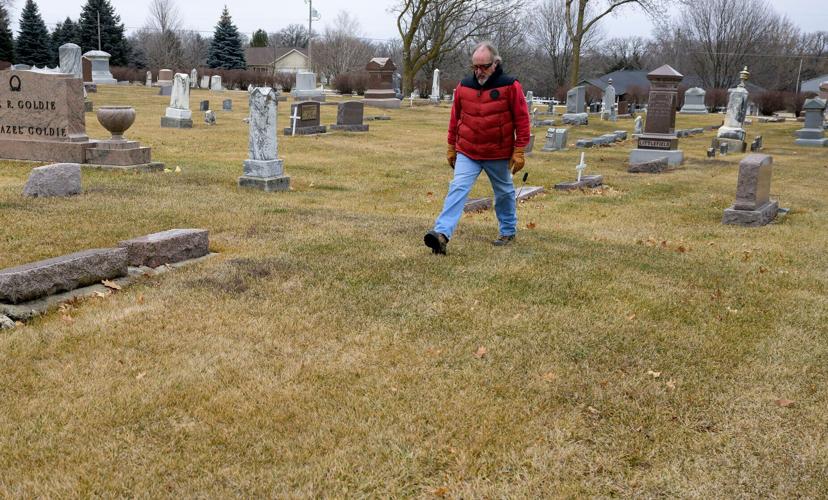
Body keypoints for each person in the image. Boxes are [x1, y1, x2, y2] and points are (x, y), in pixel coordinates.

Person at [424, 41, 531, 255]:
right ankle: (442, 235)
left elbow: (522, 119)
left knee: (503, 193)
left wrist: (519, 150)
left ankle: (508, 231)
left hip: (498, 152)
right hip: (468, 151)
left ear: (495, 63)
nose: (479, 71)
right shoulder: (464, 87)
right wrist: (451, 147)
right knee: (457, 189)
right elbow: (455, 120)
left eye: (484, 67)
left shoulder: (511, 86)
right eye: (475, 67)